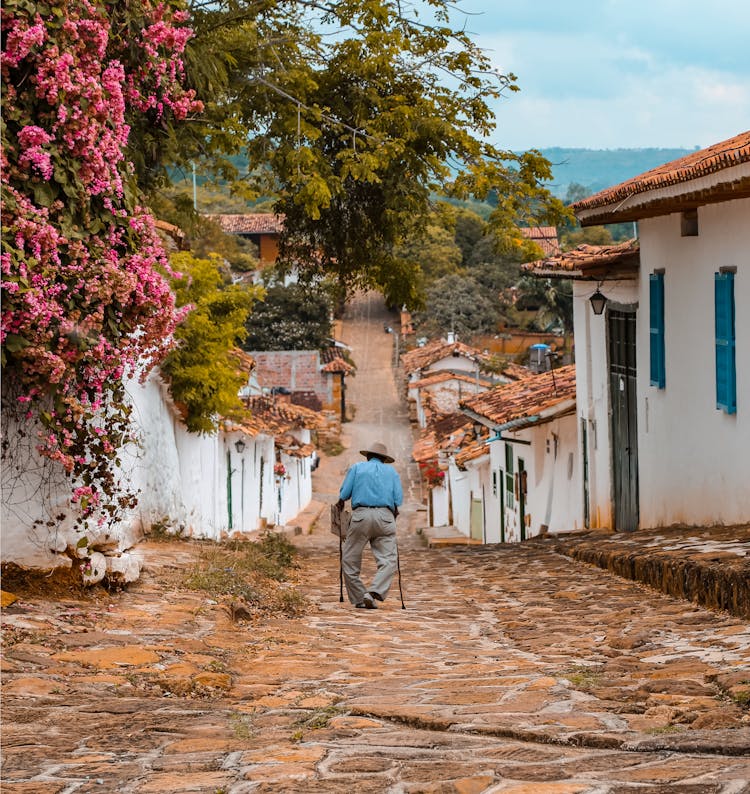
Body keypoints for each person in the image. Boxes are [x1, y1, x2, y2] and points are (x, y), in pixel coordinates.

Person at [336, 441, 403, 609]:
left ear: (367, 456)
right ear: (384, 459)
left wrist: (340, 504)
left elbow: (344, 494)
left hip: (361, 516)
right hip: (385, 517)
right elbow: (398, 500)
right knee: (388, 560)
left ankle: (359, 597)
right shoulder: (392, 472)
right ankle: (373, 592)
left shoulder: (357, 468)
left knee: (349, 559)